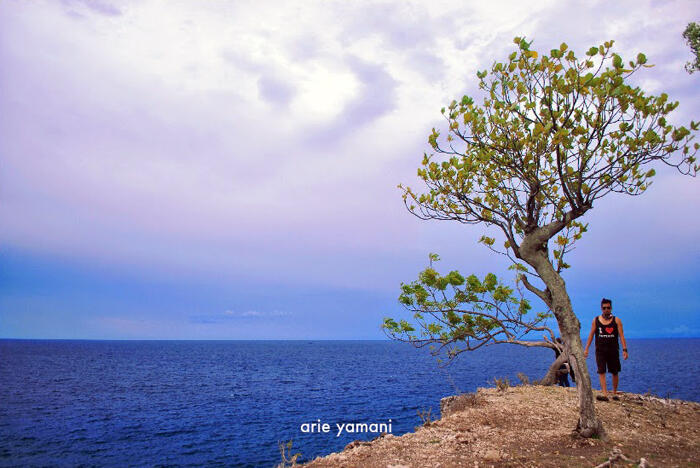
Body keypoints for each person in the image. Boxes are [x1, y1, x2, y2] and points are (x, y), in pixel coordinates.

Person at [584, 298, 628, 401]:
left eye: (608, 308)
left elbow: (621, 336)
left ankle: (614, 392)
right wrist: (586, 349)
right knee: (601, 371)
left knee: (615, 371)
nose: (606, 310)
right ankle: (604, 393)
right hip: (600, 350)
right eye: (604, 308)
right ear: (601, 308)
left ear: (611, 308)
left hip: (613, 350)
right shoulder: (596, 320)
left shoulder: (617, 320)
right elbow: (591, 335)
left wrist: (625, 350)